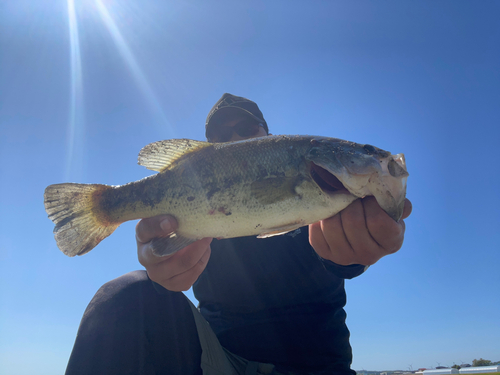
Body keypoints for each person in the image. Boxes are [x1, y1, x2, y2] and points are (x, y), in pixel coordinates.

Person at [65, 93, 412, 375]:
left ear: (267, 134)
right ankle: (102, 206)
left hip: (320, 368)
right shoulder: (199, 229)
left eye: (246, 127)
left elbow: (342, 261)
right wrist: (161, 263)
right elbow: (165, 262)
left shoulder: (322, 211)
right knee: (126, 296)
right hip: (221, 365)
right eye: (219, 136)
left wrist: (356, 256)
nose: (233, 137)